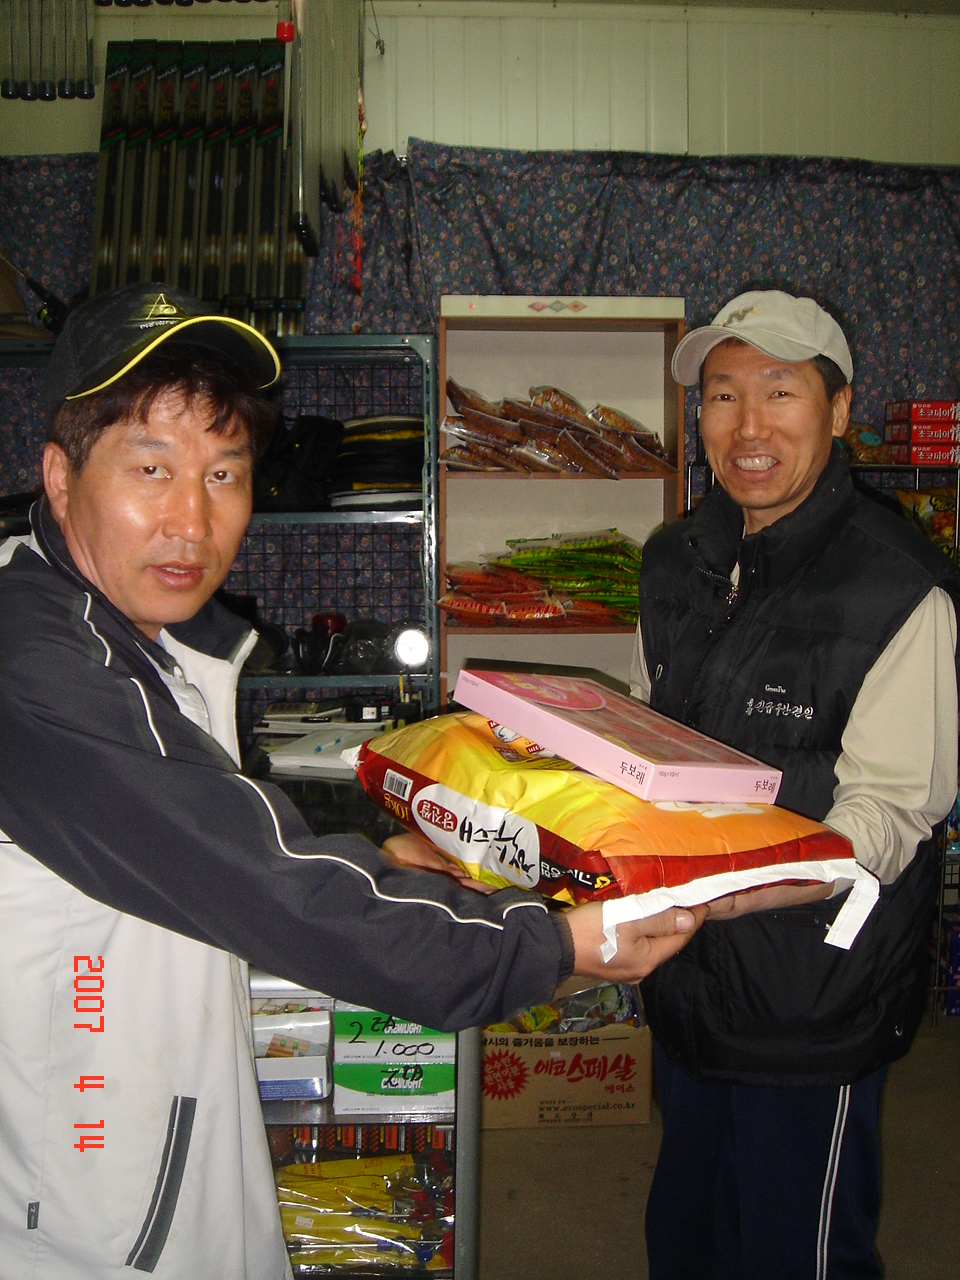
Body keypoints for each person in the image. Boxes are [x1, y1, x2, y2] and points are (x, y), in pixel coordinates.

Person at [0, 283, 703, 1280]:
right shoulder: (34, 666)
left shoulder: (127, 633)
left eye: (225, 472)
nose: (193, 519)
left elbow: (180, 849)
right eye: (151, 469)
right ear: (61, 476)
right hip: (82, 1215)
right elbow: (254, 877)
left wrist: (374, 857)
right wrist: (552, 945)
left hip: (156, 1157)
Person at [630, 288, 960, 1280]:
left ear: (840, 408)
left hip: (814, 996)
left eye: (780, 392)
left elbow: (893, 812)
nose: (748, 427)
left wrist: (755, 883)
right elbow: (652, 741)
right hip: (687, 976)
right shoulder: (674, 559)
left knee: (798, 1251)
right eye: (723, 395)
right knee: (686, 1238)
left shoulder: (899, 587)